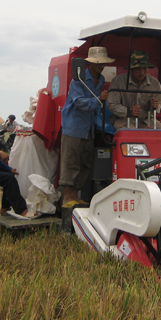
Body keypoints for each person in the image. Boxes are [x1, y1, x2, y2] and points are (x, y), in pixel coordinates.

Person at [59, 46, 114, 207]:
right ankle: (67, 197)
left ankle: (75, 195)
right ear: (90, 64)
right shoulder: (78, 80)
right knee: (71, 161)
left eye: (102, 63)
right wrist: (98, 99)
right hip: (74, 126)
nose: (101, 66)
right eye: (98, 63)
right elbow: (78, 102)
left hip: (89, 127)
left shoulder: (101, 80)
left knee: (85, 162)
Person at [107, 50, 161, 130]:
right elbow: (112, 104)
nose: (142, 72)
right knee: (131, 135)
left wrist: (156, 106)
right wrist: (128, 111)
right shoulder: (118, 81)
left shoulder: (154, 83)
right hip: (124, 119)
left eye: (145, 69)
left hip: (147, 120)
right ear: (131, 69)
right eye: (138, 69)